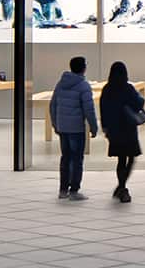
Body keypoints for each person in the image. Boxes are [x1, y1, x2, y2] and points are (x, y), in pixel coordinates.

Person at [50, 55, 98, 200]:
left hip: (63, 127)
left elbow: (53, 105)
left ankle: (63, 190)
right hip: (76, 129)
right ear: (83, 68)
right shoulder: (84, 86)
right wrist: (94, 127)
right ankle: (74, 191)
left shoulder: (61, 83)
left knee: (65, 158)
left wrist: (55, 124)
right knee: (77, 159)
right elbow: (89, 109)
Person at [98, 61, 145, 202]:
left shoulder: (107, 89)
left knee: (121, 159)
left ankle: (121, 187)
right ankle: (122, 187)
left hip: (114, 129)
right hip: (128, 128)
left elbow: (103, 108)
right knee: (131, 158)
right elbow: (138, 103)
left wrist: (105, 127)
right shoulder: (128, 88)